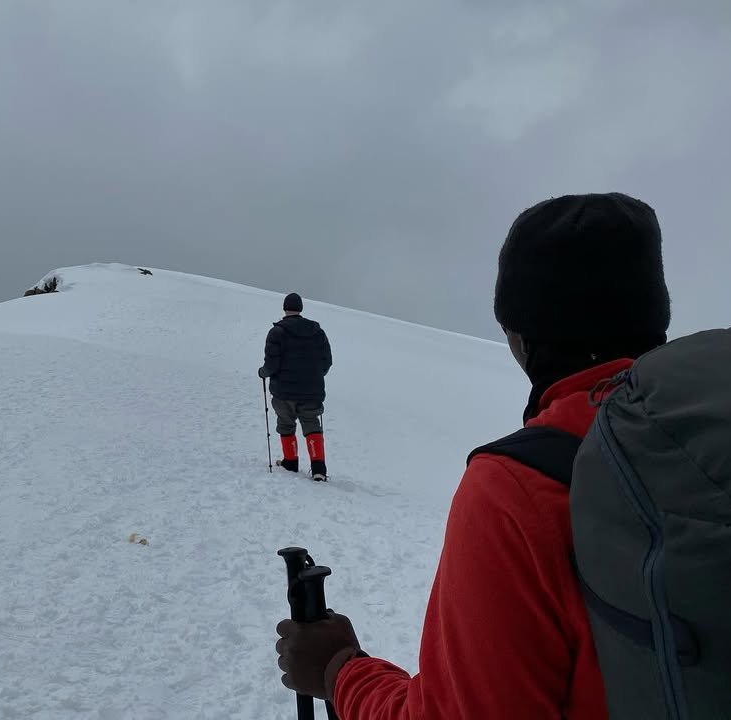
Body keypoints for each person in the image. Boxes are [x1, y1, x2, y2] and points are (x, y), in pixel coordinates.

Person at [274, 192, 672, 718]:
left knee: (289, 427)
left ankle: (295, 465)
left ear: (521, 334)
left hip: (289, 389)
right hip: (313, 389)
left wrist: (338, 671)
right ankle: (318, 464)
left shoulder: (518, 492)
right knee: (312, 426)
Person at [259, 292, 333, 481]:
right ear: (300, 308)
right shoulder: (317, 332)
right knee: (311, 423)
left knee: (286, 424)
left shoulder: (277, 332)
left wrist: (263, 373)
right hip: (312, 391)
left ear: (285, 308)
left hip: (283, 391)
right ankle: (318, 468)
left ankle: (290, 462)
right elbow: (327, 361)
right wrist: (315, 376)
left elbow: (271, 365)